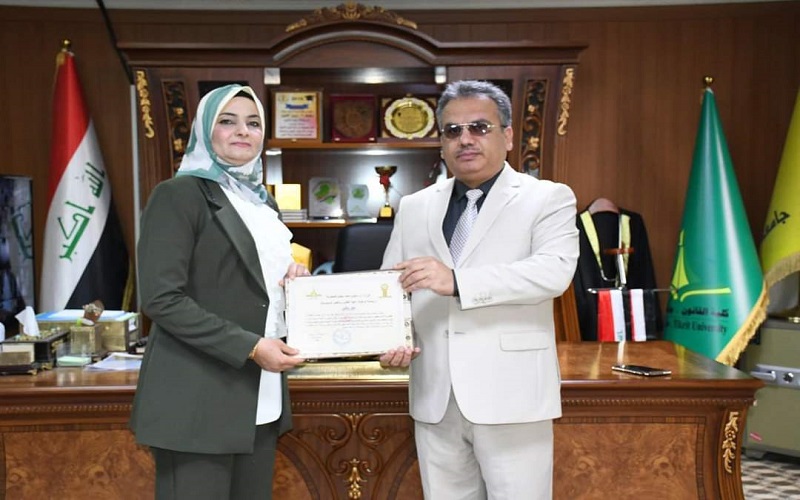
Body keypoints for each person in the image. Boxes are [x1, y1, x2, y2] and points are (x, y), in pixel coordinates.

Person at [379, 80, 579, 500]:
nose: (464, 139)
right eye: (452, 130)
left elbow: (553, 273)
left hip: (512, 395)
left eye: (479, 127)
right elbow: (391, 285)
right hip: (435, 395)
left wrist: (456, 282)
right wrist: (389, 338)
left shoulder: (547, 198)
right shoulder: (415, 206)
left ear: (507, 135)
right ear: (441, 143)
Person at [130, 84, 307, 500]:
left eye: (253, 123)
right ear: (204, 131)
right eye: (227, 121)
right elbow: (161, 299)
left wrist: (292, 287)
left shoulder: (264, 204)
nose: (242, 131)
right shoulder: (179, 195)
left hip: (259, 399)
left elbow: (253, 289)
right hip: (197, 401)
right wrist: (249, 346)